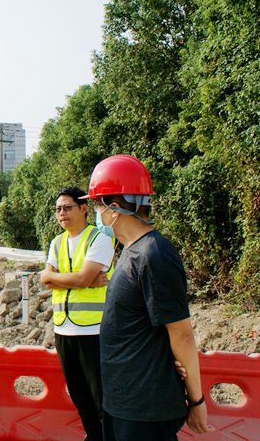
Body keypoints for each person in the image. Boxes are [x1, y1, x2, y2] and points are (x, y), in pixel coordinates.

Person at [82, 155, 214, 440]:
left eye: (97, 205)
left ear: (114, 208)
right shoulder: (130, 250)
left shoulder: (154, 256)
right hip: (123, 402)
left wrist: (197, 401)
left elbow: (182, 335)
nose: (95, 213)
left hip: (144, 408)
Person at [40, 186, 115, 441]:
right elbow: (45, 280)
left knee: (100, 396)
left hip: (93, 330)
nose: (61, 213)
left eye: (67, 208)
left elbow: (79, 278)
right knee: (79, 395)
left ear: (83, 208)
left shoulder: (99, 239)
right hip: (63, 329)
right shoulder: (57, 242)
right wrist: (82, 281)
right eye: (58, 209)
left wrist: (65, 278)